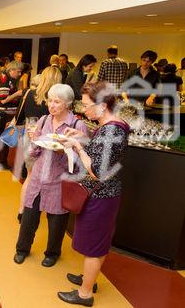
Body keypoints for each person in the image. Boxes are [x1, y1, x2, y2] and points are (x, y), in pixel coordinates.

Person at [57, 82, 130, 307]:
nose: (83, 109)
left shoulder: (111, 130)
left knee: (93, 245)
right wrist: (81, 137)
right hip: (107, 194)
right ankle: (90, 278)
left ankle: (85, 293)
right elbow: (101, 154)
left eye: (87, 105)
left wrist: (76, 147)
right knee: (98, 242)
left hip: (102, 194)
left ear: (103, 105)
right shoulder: (112, 125)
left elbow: (97, 171)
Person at [14, 83, 89, 267]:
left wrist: (65, 152)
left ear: (67, 104)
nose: (51, 105)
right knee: (29, 216)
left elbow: (82, 162)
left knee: (57, 221)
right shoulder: (44, 120)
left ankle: (52, 253)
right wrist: (34, 143)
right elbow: (33, 152)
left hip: (60, 181)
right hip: (39, 177)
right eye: (50, 100)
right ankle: (22, 249)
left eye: (57, 102)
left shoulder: (77, 126)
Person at [15, 67, 63, 221]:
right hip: (47, 138)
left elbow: (19, 116)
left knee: (30, 177)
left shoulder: (29, 93)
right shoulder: (57, 99)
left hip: (29, 136)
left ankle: (22, 211)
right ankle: (43, 209)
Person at [0, 61, 24, 169]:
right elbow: (3, 100)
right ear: (11, 70)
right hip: (3, 113)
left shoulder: (8, 78)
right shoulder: (4, 79)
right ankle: (1, 163)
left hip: (4, 113)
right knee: (4, 139)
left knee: (1, 139)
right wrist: (17, 94)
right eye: (18, 72)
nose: (19, 74)